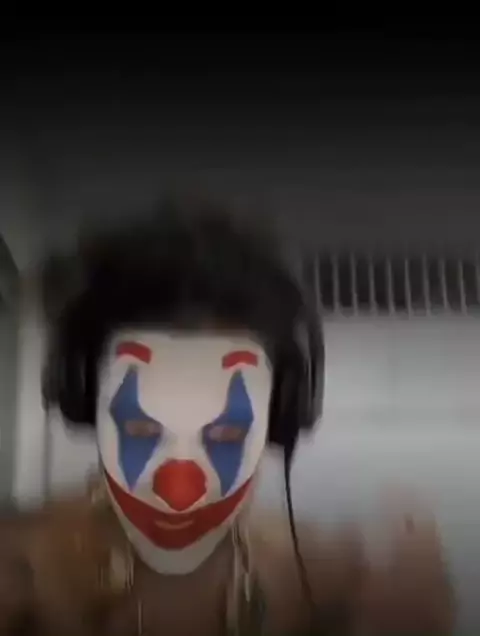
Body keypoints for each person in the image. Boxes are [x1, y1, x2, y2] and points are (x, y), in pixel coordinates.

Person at [1, 200, 453, 635]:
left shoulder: (327, 582)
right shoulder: (18, 575)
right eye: (142, 429)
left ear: (278, 417)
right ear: (86, 403)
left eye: (226, 434)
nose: (180, 492)